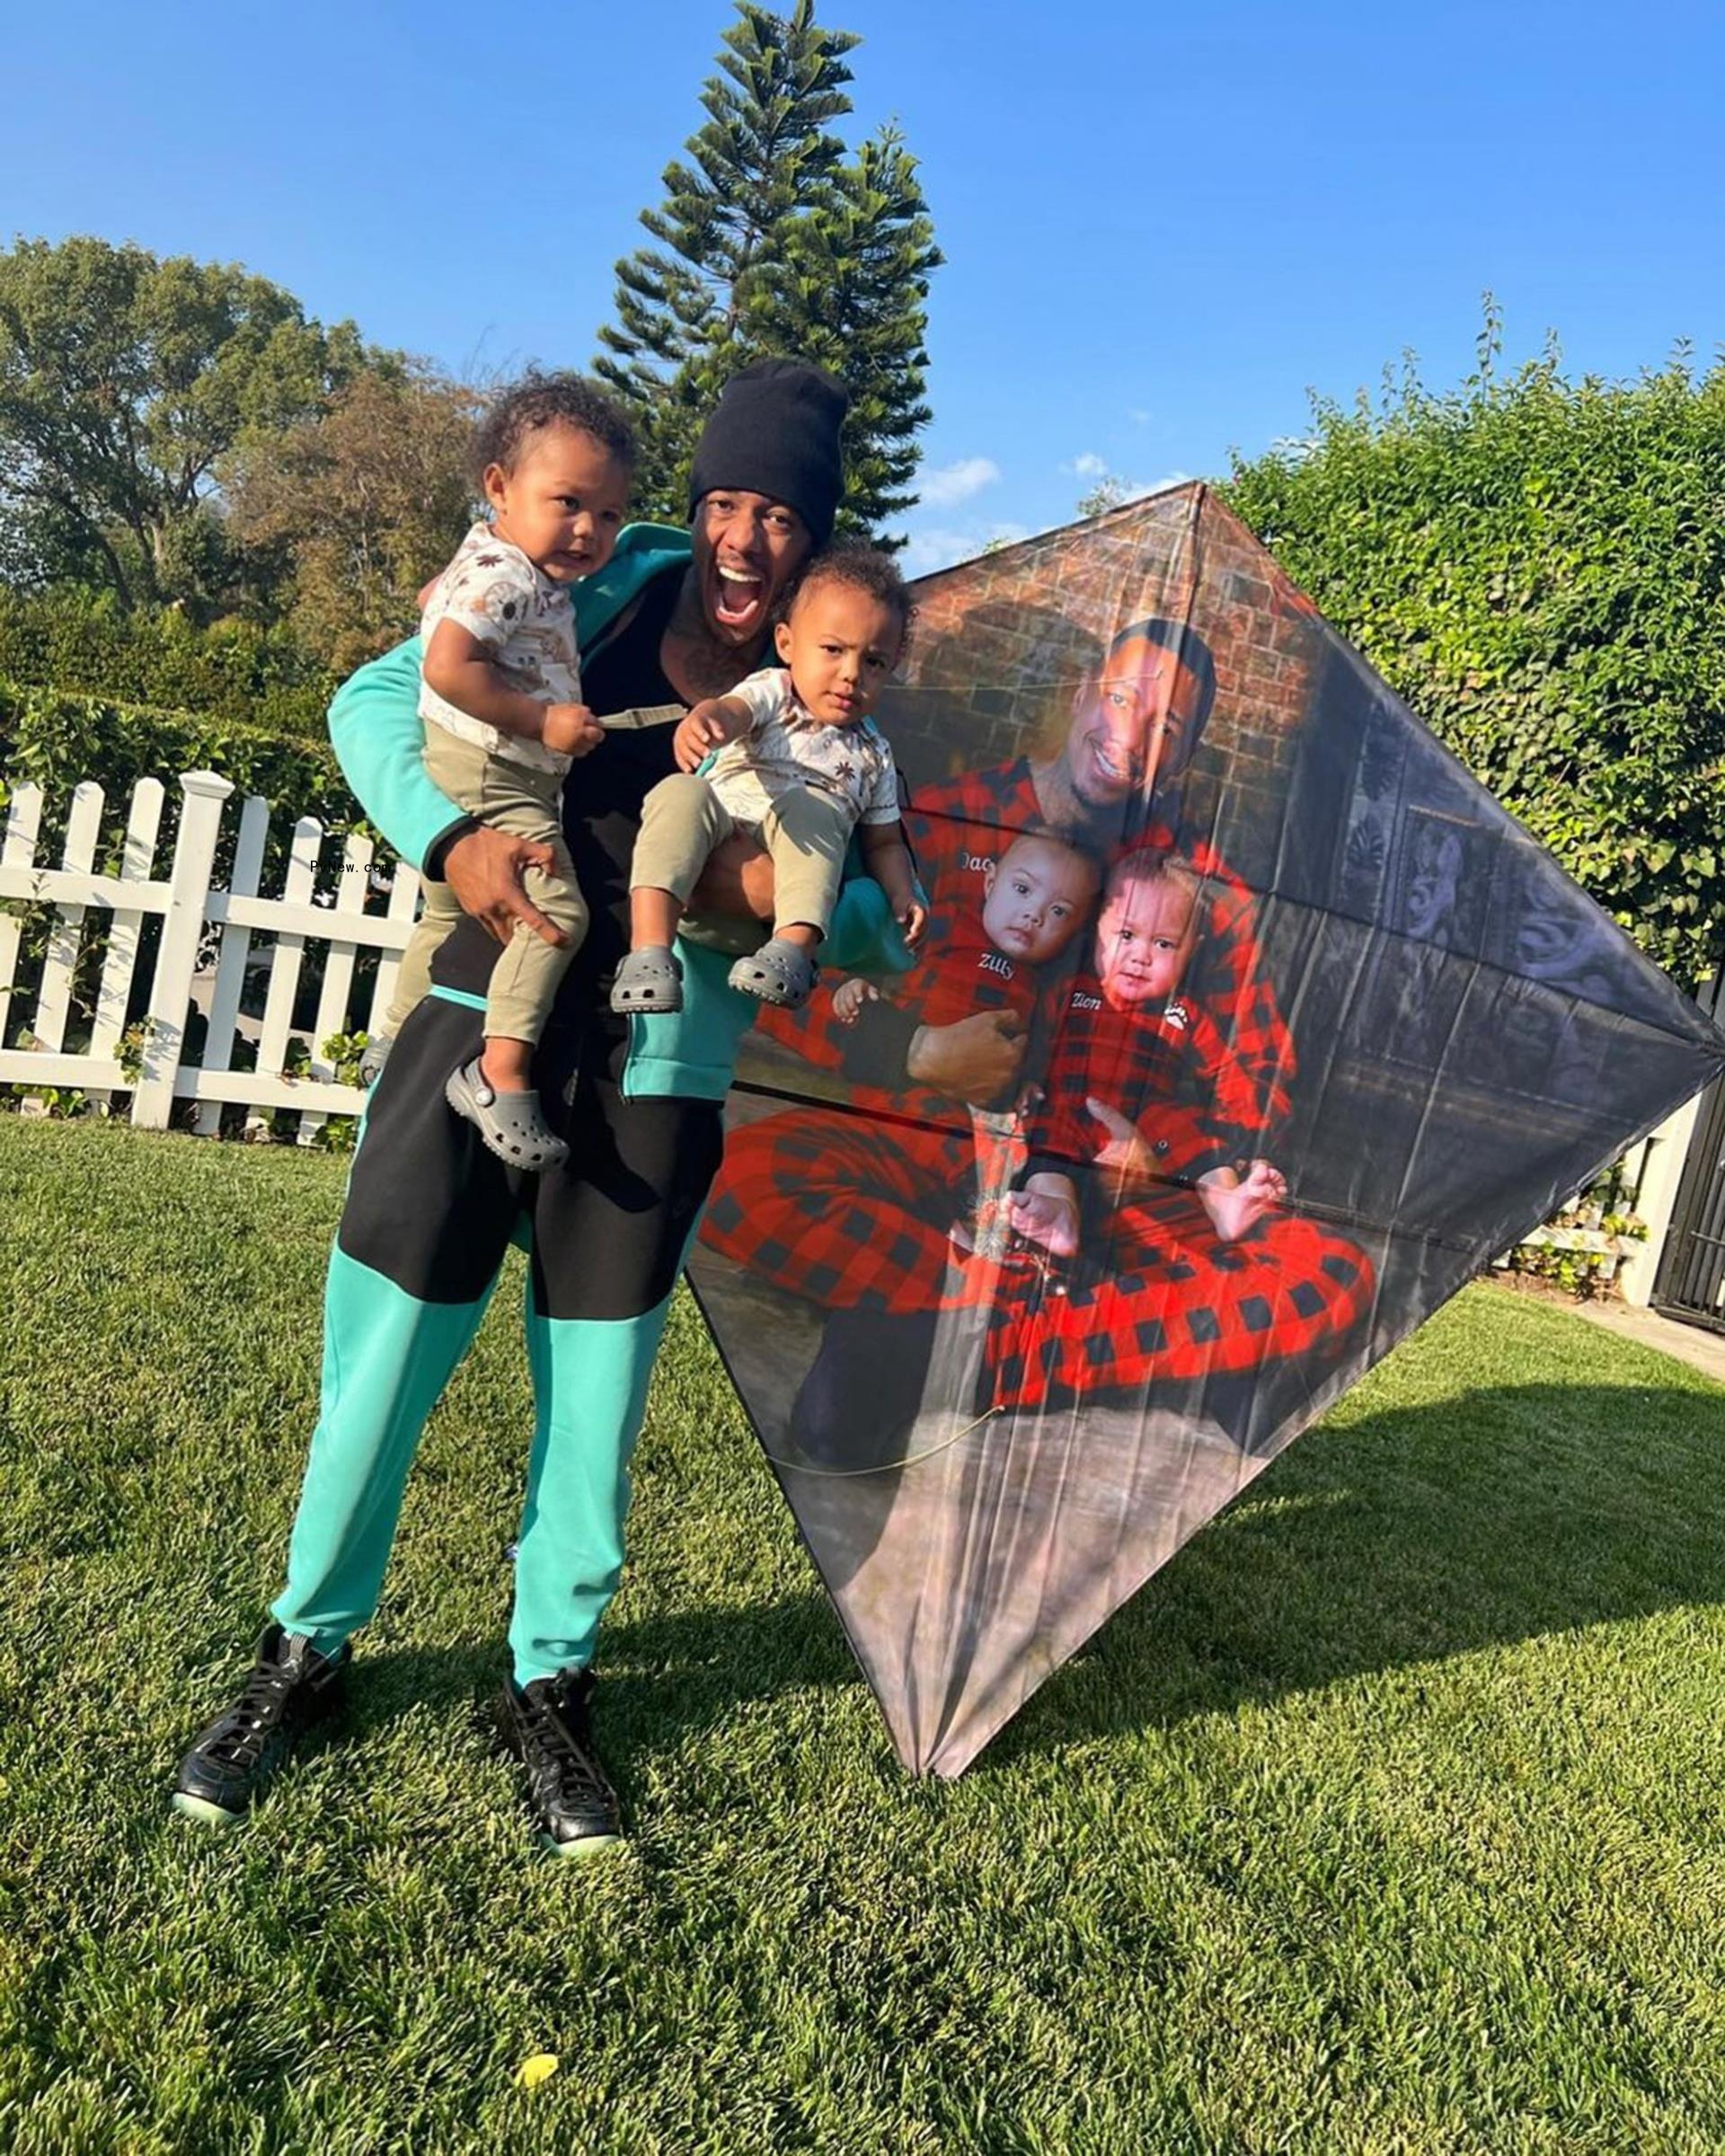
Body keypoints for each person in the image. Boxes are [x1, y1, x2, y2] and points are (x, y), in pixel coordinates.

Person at [171, 358, 892, 1857]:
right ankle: (305, 1654)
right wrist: (446, 841)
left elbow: (884, 916)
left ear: (815, 540)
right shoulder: (590, 574)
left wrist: (750, 891)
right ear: (694, 509)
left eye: (784, 518)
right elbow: (379, 693)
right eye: (729, 503)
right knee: (380, 1359)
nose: (749, 543)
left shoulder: (838, 689)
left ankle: (550, 1683)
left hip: (655, 1075)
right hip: (473, 1018)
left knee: (597, 1408)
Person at [387, 373, 634, 1171]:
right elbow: (449, 667)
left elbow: (437, 601)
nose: (588, 530)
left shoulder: (493, 557)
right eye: (567, 503)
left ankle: (395, 1041)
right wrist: (545, 721)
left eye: (608, 514)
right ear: (501, 486)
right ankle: (498, 1074)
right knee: (557, 911)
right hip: (497, 768)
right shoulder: (509, 577)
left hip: (465, 760)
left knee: (440, 911)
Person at [615, 542, 924, 1016]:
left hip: (771, 924)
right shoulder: (774, 691)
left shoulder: (874, 753)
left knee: (811, 808)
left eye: (874, 662)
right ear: (786, 645)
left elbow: (884, 844)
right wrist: (709, 716)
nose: (851, 675)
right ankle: (648, 950)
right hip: (711, 859)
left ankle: (793, 954)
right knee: (680, 792)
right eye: (833, 650)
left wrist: (903, 895)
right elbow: (735, 711)